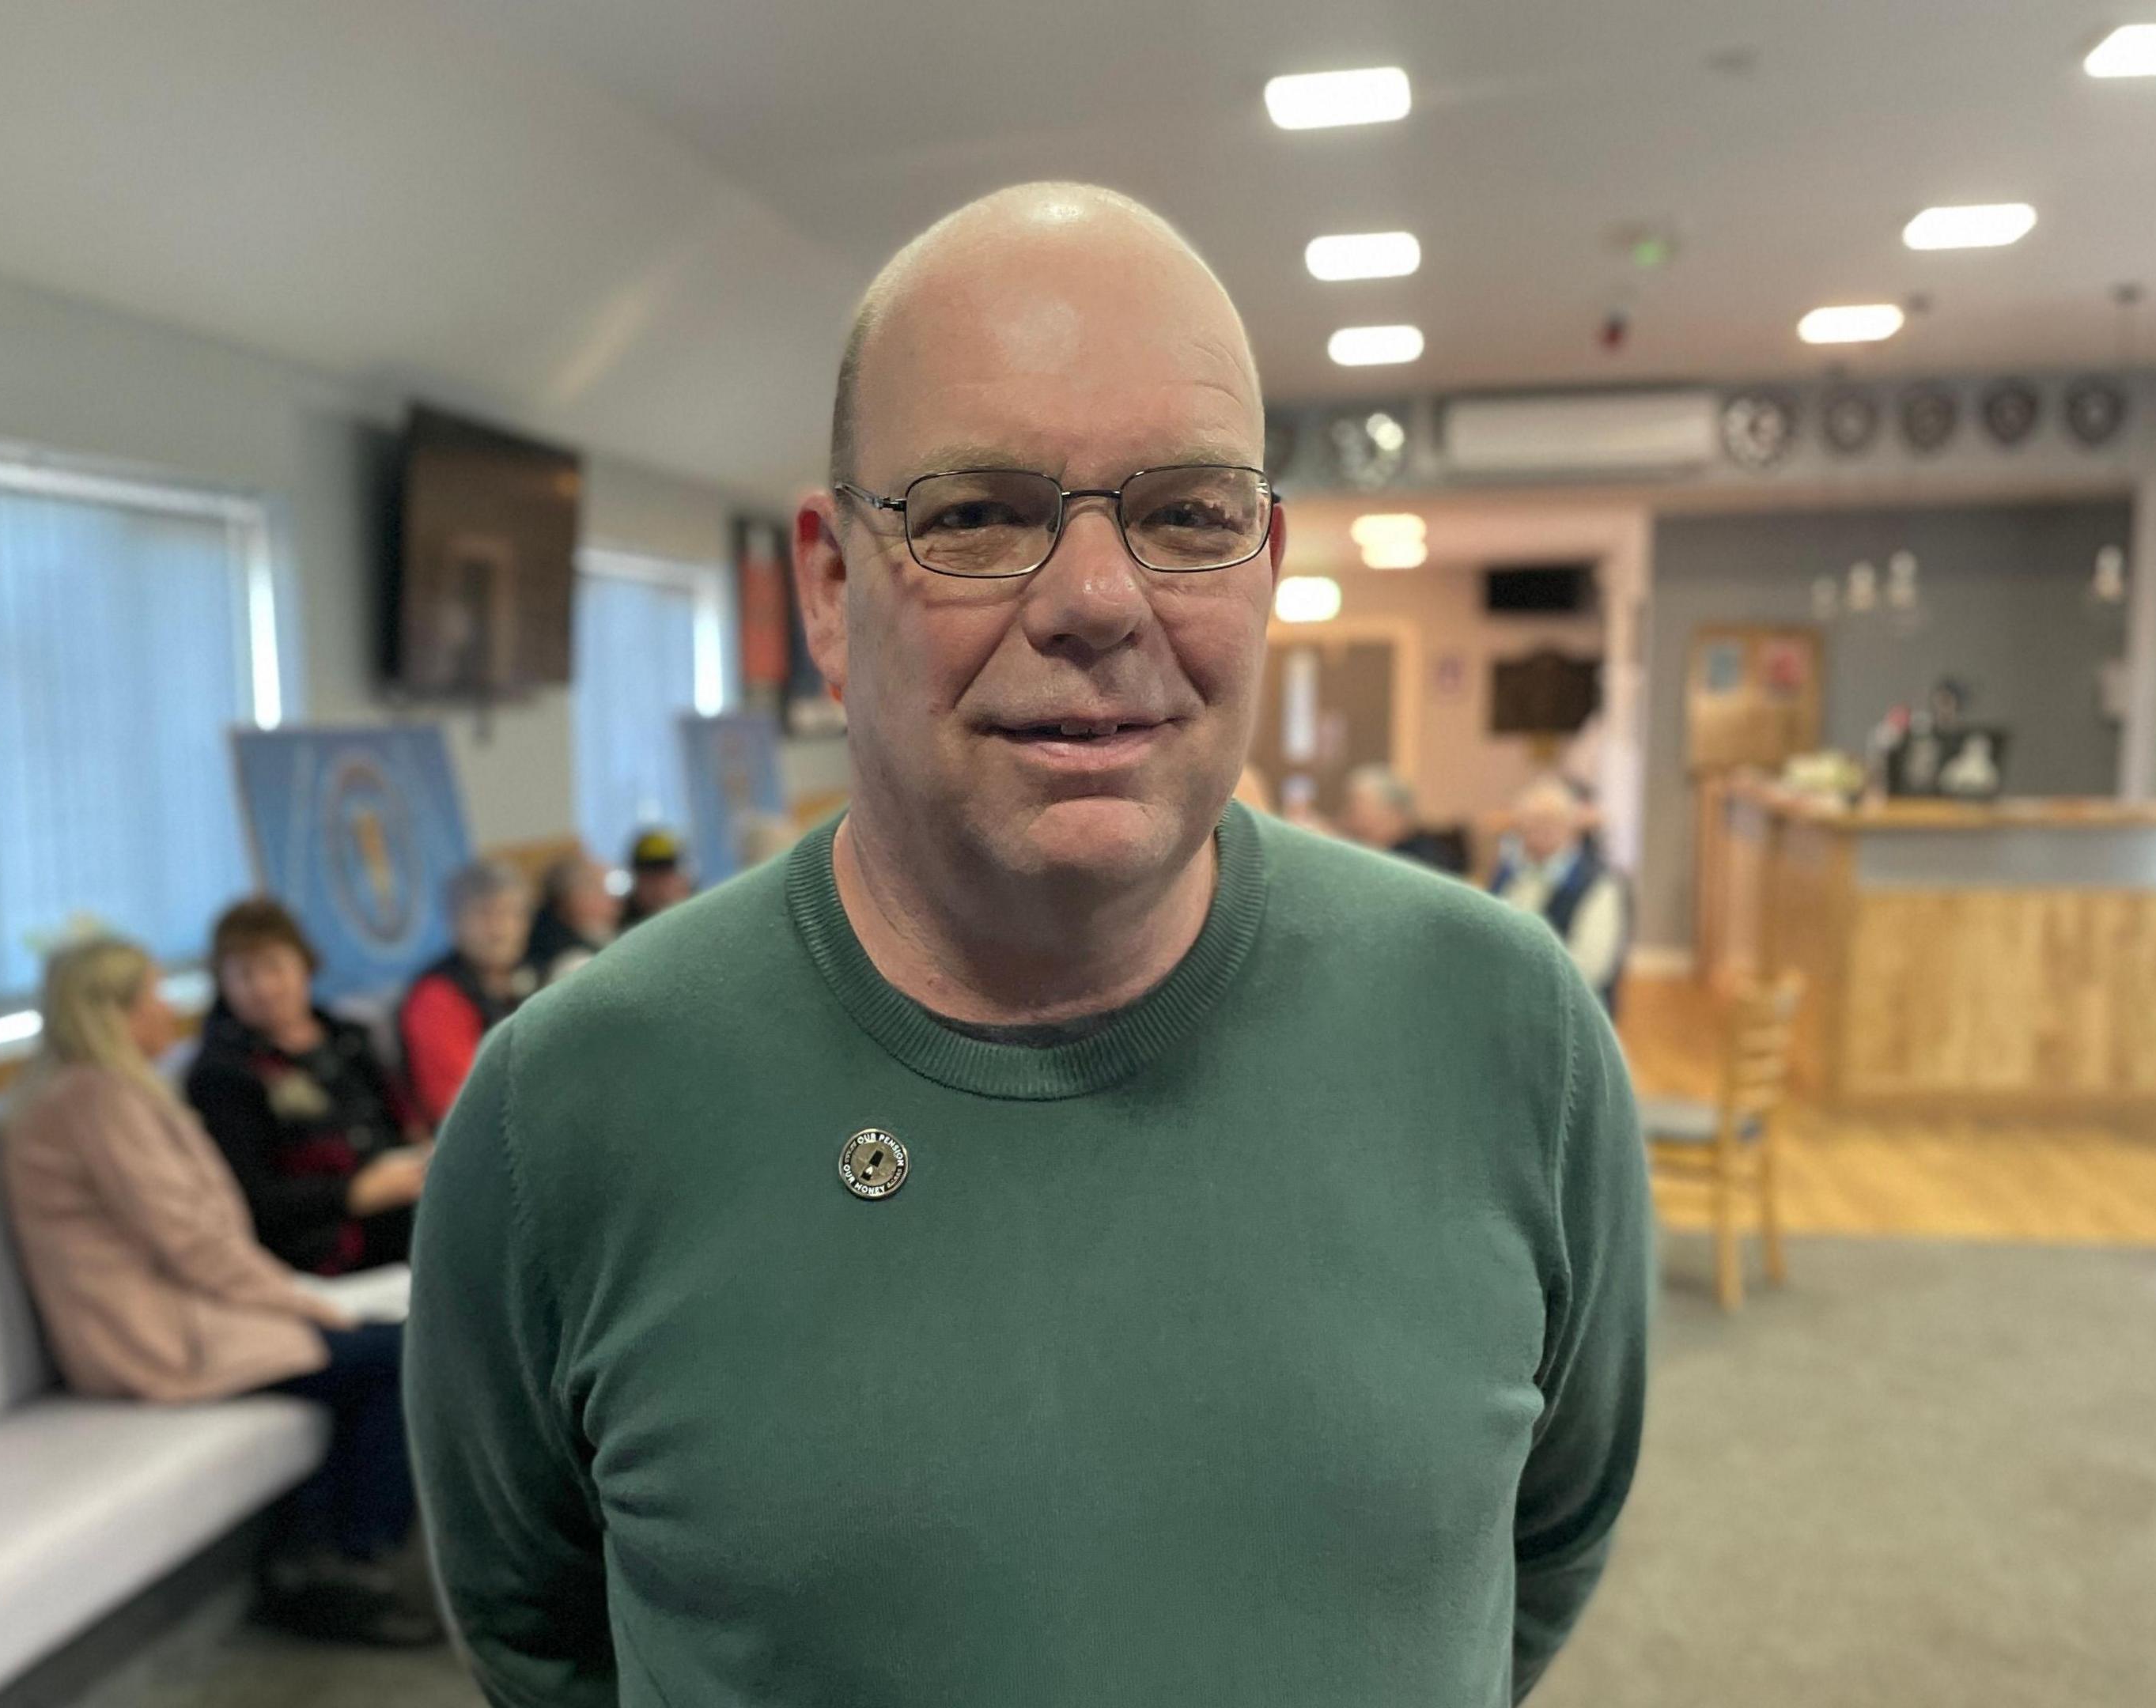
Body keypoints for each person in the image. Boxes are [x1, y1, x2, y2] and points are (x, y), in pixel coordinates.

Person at [409, 183, 1648, 1707]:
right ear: (828, 578)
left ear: (1265, 560)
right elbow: (536, 1635)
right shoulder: (568, 1112)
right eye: (978, 514)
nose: (1095, 600)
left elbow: (1542, 1544)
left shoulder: (1508, 1030)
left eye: (1186, 514)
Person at [0, 937, 433, 1646]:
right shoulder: (95, 1102)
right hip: (154, 1336)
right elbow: (190, 1244)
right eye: (153, 995)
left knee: (392, 1348)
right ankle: (341, 1565)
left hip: (193, 1313)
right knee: (407, 1354)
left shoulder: (103, 1092)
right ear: (115, 1013)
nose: (169, 1007)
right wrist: (305, 1300)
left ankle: (326, 1551)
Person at [186, 897, 426, 1275]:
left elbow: (401, 1124)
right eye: (245, 975)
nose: (263, 987)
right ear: (223, 983)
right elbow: (253, 1199)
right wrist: (355, 1193)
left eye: (274, 967)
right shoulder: (221, 1072)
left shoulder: (347, 1036)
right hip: (325, 1245)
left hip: (403, 1207)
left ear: (305, 965)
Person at [398, 859, 531, 1121]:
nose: (500, 929)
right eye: (485, 914)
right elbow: (460, 1106)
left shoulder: (529, 977)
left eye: (512, 913)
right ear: (454, 922)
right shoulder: (435, 997)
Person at [1489, 776, 1632, 1015]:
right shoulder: (1508, 872)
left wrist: (1517, 979)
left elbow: (1589, 969)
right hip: (1507, 1000)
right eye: (1531, 824)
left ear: (1571, 827)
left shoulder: (1599, 882)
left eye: (1551, 823)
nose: (1539, 832)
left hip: (1569, 1012)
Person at [1339, 762, 1467, 874]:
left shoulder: (1425, 860)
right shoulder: (1373, 849)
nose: (1348, 815)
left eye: (1357, 808)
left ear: (1392, 812)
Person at [522, 849, 618, 987]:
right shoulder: (574, 963)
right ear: (572, 899)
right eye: (600, 890)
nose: (613, 901)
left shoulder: (597, 937)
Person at [620, 826, 692, 928]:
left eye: (665, 876)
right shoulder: (621, 926)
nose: (658, 888)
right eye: (649, 878)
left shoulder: (699, 919)